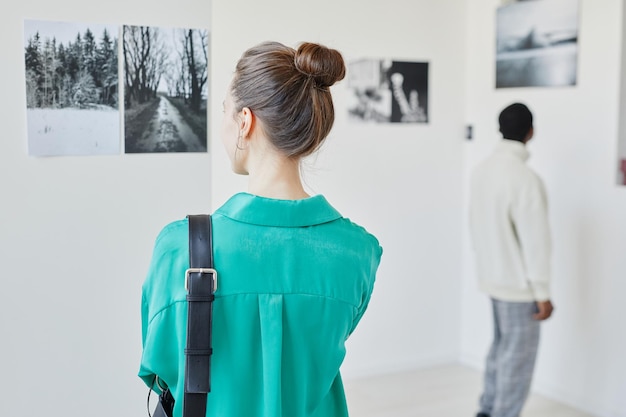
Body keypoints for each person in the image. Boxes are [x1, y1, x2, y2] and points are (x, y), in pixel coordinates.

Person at [138, 41, 383, 417]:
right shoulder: (359, 251)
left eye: (224, 111)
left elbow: (160, 368)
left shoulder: (180, 248)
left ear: (245, 121)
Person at [469, 102, 554, 417]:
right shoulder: (525, 179)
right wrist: (542, 293)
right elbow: (537, 243)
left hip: (492, 277)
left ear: (499, 129)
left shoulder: (481, 170)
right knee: (516, 362)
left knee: (501, 351)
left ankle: (487, 410)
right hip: (519, 287)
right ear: (530, 133)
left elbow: (474, 223)